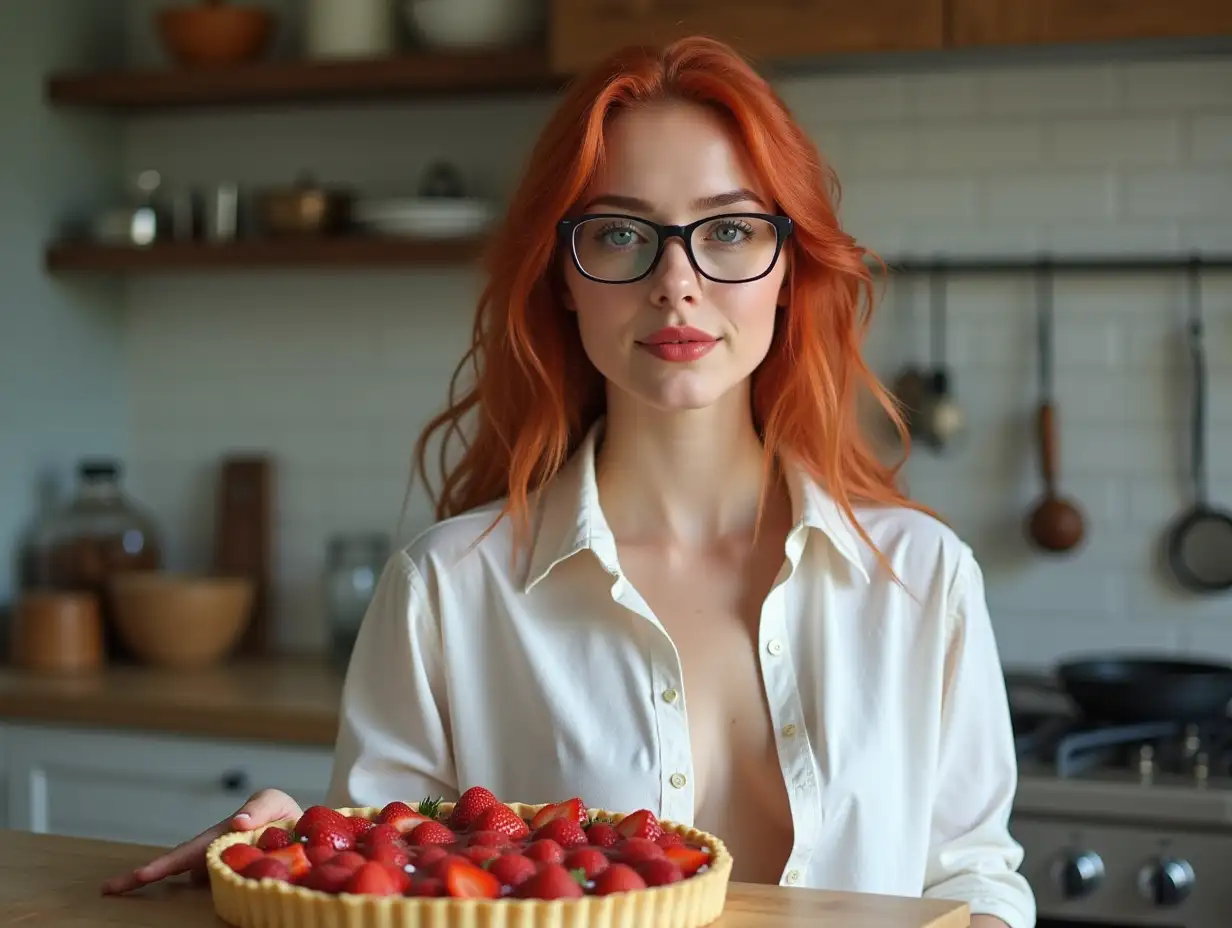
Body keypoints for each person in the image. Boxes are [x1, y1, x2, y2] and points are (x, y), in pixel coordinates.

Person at [102, 35, 1034, 928]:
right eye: (622, 234)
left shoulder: (924, 579)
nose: (676, 282)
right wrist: (301, 846)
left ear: (788, 267)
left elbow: (971, 872)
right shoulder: (446, 591)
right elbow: (400, 885)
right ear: (561, 275)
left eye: (733, 229)